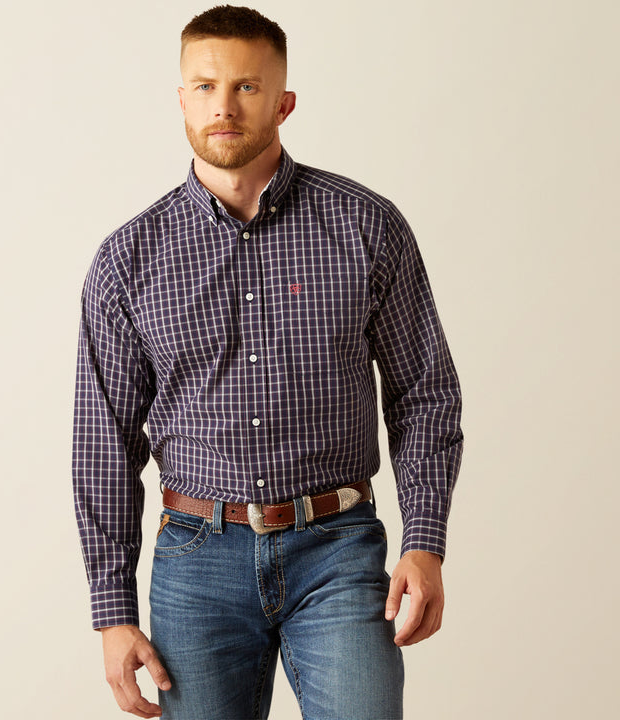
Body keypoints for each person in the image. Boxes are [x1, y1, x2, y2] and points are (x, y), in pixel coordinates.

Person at [72, 5, 463, 719]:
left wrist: (426, 541)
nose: (223, 106)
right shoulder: (127, 261)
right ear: (181, 99)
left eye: (246, 87)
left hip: (339, 552)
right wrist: (112, 612)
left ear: (284, 102)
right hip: (196, 565)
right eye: (205, 86)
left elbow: (424, 392)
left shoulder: (367, 227)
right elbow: (105, 443)